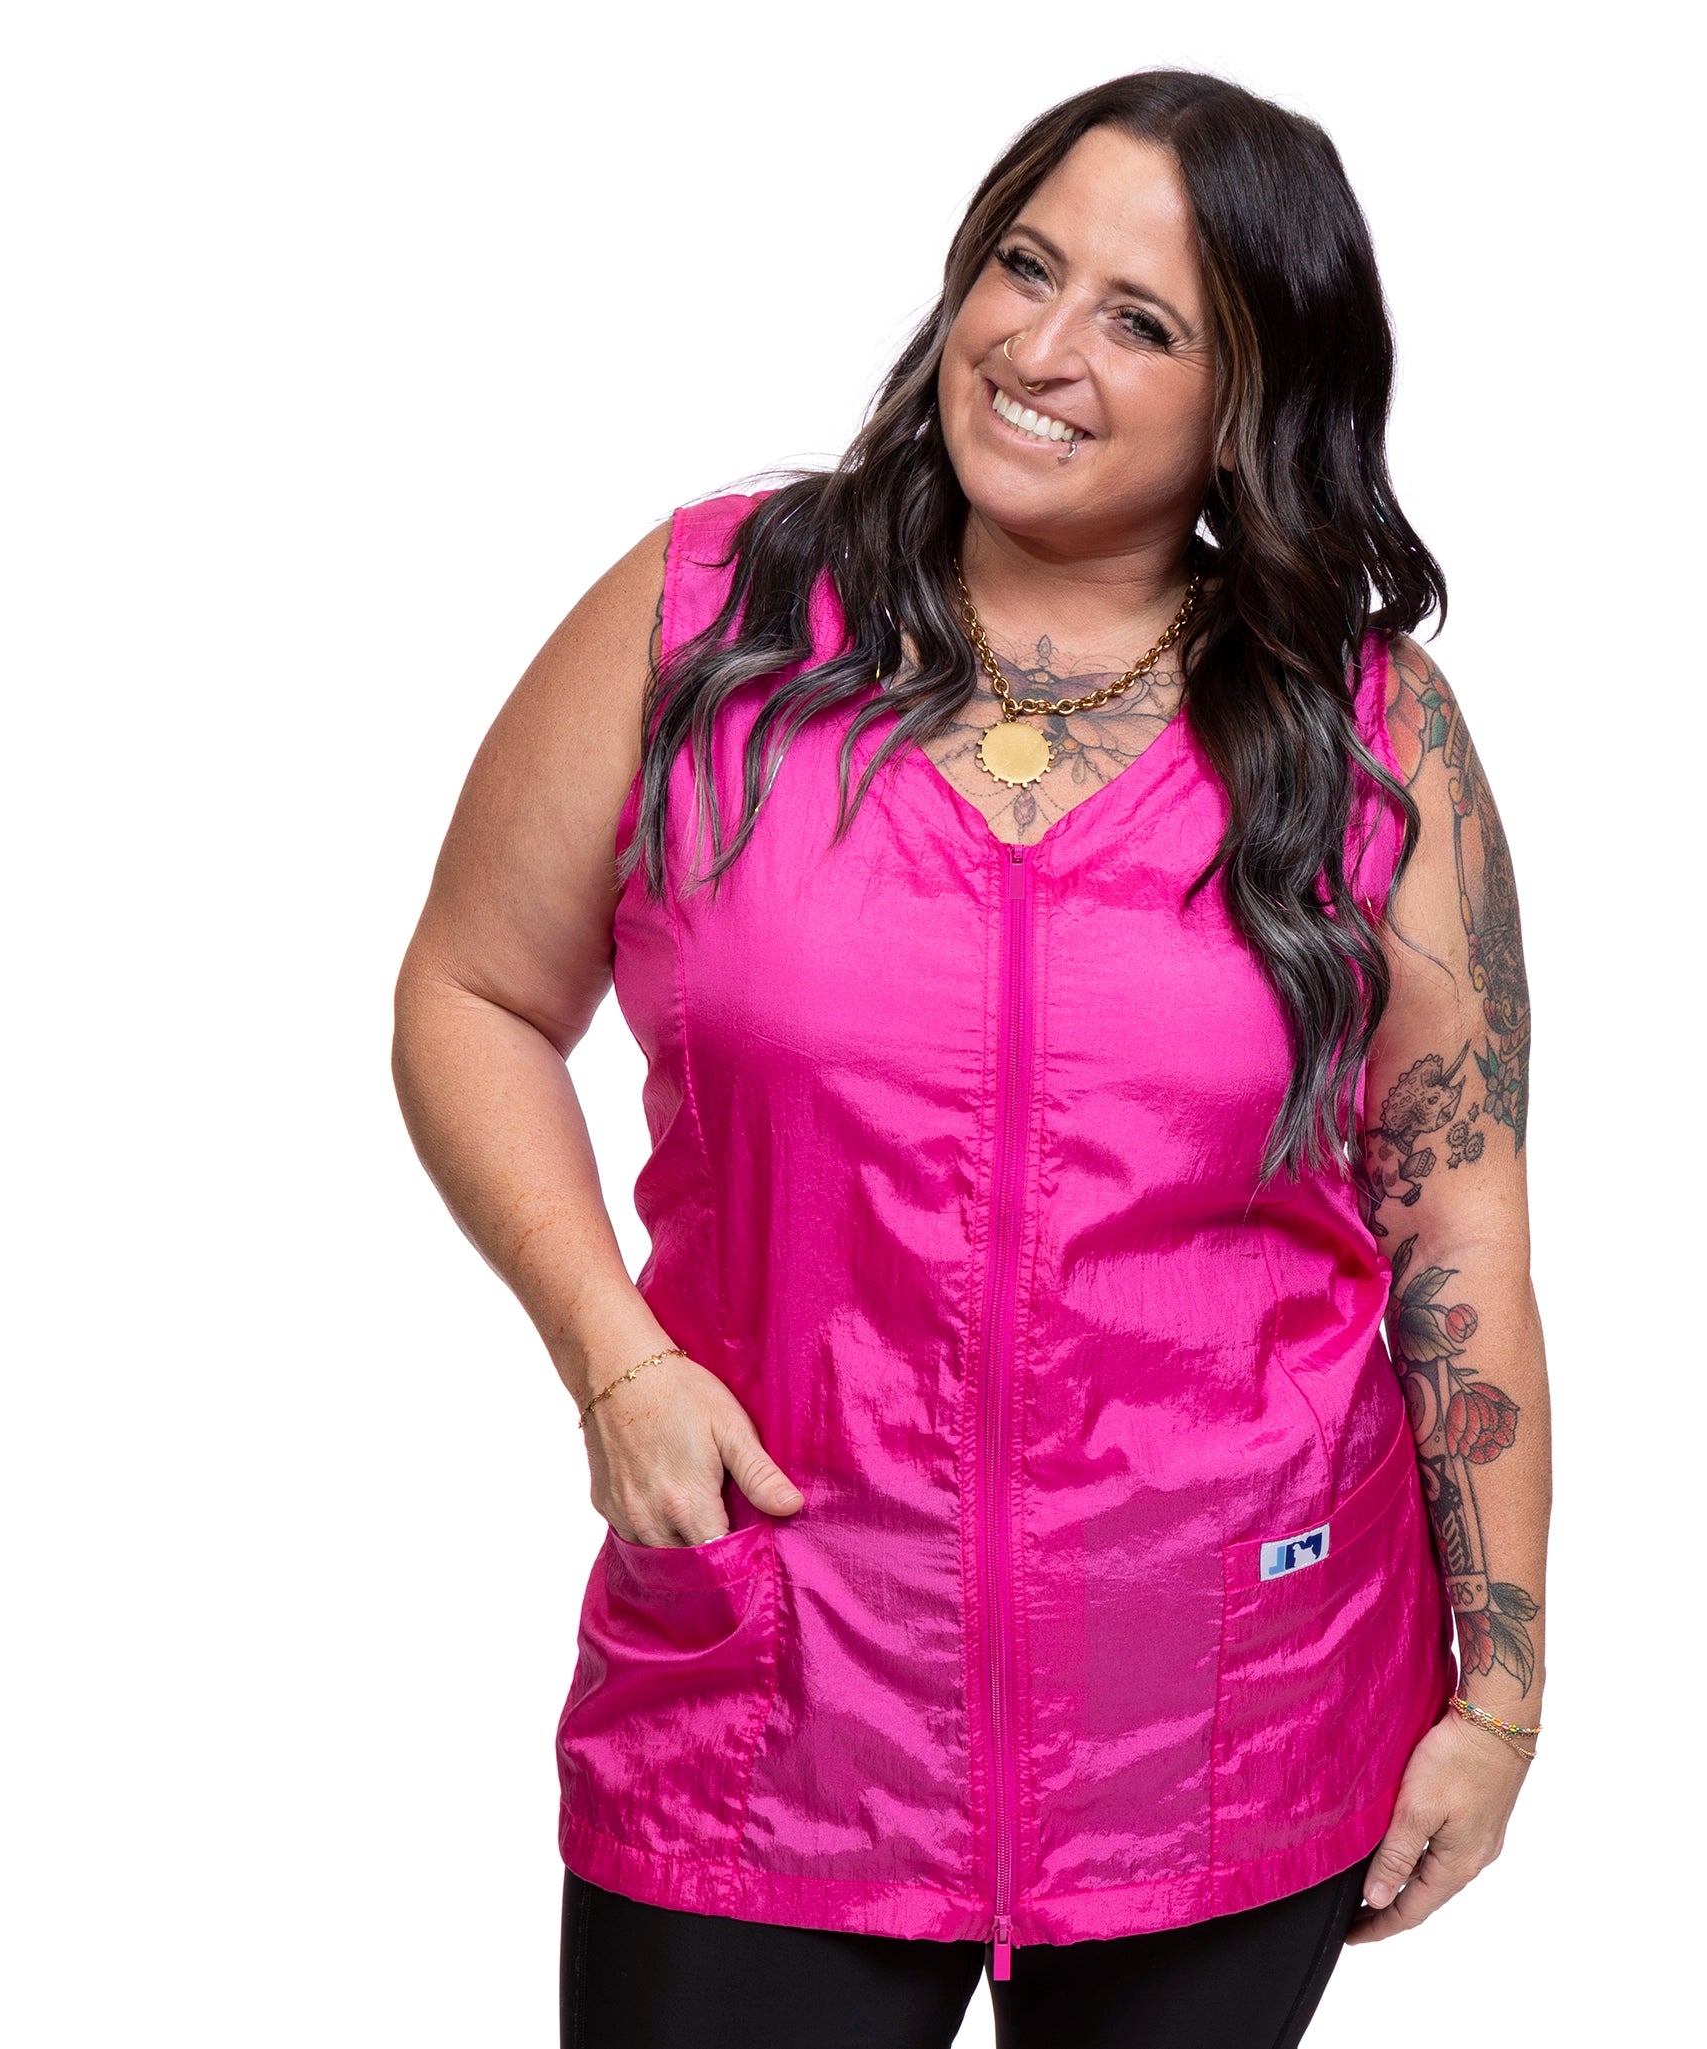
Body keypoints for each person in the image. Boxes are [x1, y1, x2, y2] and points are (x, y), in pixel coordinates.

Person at [393, 67, 1551, 2049]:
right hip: (774, 1685)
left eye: (1142, 319)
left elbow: (1455, 1205)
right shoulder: (709, 622)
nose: (1040, 346)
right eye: (1025, 265)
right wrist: (613, 1353)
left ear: (1250, 399)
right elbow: (470, 993)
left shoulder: (1367, 732)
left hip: (1232, 1696)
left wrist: (1500, 1694)